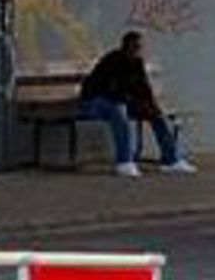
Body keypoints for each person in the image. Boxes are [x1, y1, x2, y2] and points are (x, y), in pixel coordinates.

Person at [78, 30, 196, 177]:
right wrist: (132, 102)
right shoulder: (112, 60)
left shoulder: (137, 63)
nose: (137, 50)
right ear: (125, 46)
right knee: (119, 111)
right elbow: (108, 91)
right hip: (94, 102)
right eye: (134, 46)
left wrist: (153, 107)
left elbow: (144, 89)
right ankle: (125, 162)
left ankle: (171, 161)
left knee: (157, 117)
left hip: (122, 101)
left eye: (139, 47)